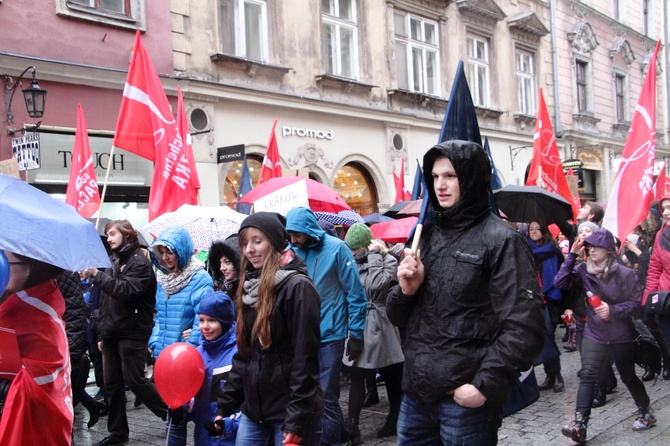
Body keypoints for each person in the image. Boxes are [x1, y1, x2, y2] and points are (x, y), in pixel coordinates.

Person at [386, 140, 546, 445]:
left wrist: (484, 386)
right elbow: (396, 315)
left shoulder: (501, 240)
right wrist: (406, 290)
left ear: (470, 178)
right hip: (416, 395)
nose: (441, 185)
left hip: (463, 402)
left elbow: (525, 324)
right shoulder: (427, 235)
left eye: (450, 176)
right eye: (434, 177)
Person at [215, 212, 323, 445]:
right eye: (244, 243)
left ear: (274, 242)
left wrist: (296, 419)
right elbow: (245, 355)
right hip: (254, 411)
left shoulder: (297, 287)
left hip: (289, 412)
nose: (249, 250)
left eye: (257, 241)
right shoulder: (248, 287)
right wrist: (225, 405)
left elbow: (305, 359)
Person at [556, 228, 656, 442]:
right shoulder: (583, 269)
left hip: (621, 335)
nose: (591, 250)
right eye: (589, 246)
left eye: (597, 247)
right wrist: (572, 255)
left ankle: (646, 412)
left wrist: (613, 310)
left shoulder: (625, 274)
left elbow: (635, 305)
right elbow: (561, 283)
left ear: (609, 251)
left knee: (628, 376)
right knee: (588, 375)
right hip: (594, 333)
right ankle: (579, 425)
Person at [285, 207, 367, 445]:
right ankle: (347, 433)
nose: (293, 240)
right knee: (307, 396)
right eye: (290, 234)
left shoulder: (337, 248)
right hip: (301, 336)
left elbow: (355, 293)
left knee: (327, 397)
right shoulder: (291, 253)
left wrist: (356, 334)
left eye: (296, 234)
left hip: (331, 335)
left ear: (308, 230)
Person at [82, 220, 168, 446]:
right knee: (112, 384)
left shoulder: (139, 262)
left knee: (135, 380)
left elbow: (125, 291)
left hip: (132, 331)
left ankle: (169, 414)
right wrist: (101, 333)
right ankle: (118, 432)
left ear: (127, 234)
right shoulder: (114, 260)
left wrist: (96, 275)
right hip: (111, 333)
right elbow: (106, 303)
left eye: (112, 234)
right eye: (107, 234)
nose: (108, 238)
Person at [149, 226, 214, 444]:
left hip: (189, 358)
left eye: (170, 251)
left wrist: (192, 341)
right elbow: (160, 316)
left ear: (182, 250)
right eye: (162, 252)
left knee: (196, 414)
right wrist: (155, 341)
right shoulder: (162, 279)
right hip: (166, 358)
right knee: (174, 418)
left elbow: (203, 316)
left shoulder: (200, 278)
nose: (165, 258)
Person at [0, 251, 73, 445]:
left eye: (6, 260)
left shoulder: (18, 309)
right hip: (52, 414)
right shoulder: (47, 291)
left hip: (29, 415)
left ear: (30, 267)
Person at [343, 225, 404, 443]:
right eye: (350, 249)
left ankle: (395, 417)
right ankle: (352, 425)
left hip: (381, 322)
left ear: (367, 246)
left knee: (390, 373)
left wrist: (375, 256)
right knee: (357, 373)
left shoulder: (386, 259)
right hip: (359, 323)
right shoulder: (350, 262)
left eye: (356, 249)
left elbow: (377, 285)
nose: (352, 253)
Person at [171, 291, 240, 445]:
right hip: (203, 437)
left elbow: (248, 405)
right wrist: (181, 409)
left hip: (230, 439)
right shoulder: (197, 354)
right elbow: (192, 396)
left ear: (225, 321)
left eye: (212, 320)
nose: (205, 326)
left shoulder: (239, 353)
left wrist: (228, 425)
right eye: (201, 320)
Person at [58, 271, 106, 432]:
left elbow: (74, 312)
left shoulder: (62, 271)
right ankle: (93, 405)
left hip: (60, 348)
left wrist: (73, 353)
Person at [526, 219, 565, 393]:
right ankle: (549, 375)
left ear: (543, 230)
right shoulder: (525, 249)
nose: (533, 232)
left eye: (536, 229)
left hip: (550, 298)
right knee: (539, 336)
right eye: (531, 229)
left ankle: (556, 374)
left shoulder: (553, 251)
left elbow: (563, 274)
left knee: (549, 334)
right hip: (531, 298)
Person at [643, 196, 670, 380]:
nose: (665, 213)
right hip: (667, 301)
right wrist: (647, 301)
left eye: (669, 208)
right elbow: (654, 269)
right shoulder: (661, 235)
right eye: (664, 209)